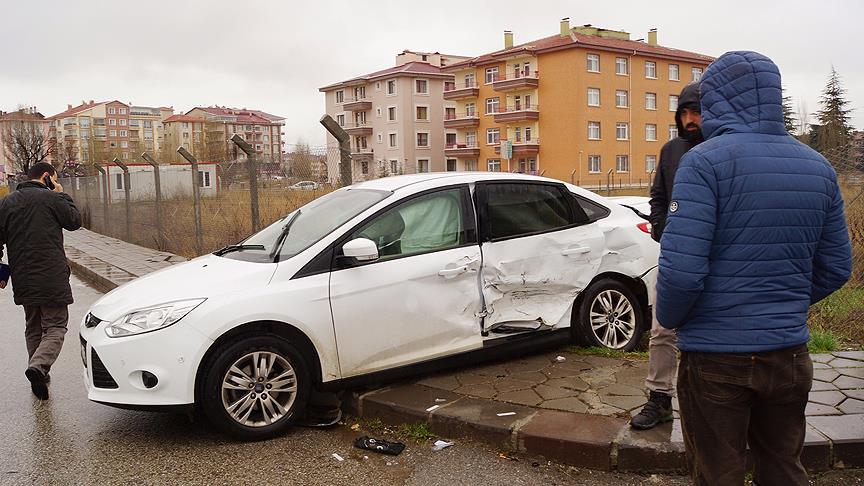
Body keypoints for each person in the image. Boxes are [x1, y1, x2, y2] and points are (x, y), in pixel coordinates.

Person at [656, 51, 852, 484]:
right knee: (783, 467)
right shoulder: (818, 167)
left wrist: (670, 317)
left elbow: (682, 271)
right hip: (788, 356)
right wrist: (782, 300)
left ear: (718, 99)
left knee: (718, 472)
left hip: (715, 358)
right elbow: (837, 266)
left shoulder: (703, 162)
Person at [630, 82, 703, 430]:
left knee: (706, 332)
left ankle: (706, 403)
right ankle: (659, 399)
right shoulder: (671, 150)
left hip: (715, 260)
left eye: (697, 112)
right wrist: (662, 229)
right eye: (684, 113)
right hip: (674, 255)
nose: (690, 120)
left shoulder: (720, 149)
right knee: (662, 331)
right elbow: (657, 197)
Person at [0, 162, 82, 400]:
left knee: (33, 326)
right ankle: (38, 367)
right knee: (56, 326)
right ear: (47, 177)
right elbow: (74, 221)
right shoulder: (52, 199)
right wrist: (61, 194)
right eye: (54, 178)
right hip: (51, 276)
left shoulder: (6, 203)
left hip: (23, 277)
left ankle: (40, 375)